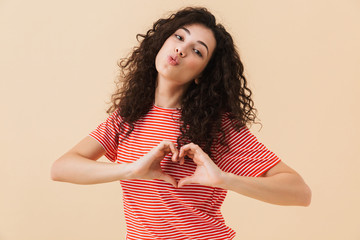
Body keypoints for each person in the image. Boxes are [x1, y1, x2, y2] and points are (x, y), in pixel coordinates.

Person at [51, 7, 311, 240]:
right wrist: (130, 170)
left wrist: (224, 179)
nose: (182, 49)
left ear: (202, 74)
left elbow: (300, 192)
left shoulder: (217, 125)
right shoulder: (127, 116)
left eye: (197, 51)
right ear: (161, 42)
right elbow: (61, 168)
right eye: (179, 37)